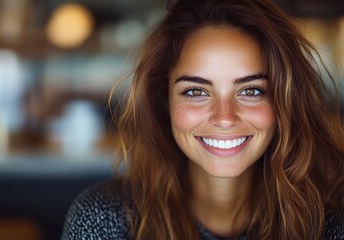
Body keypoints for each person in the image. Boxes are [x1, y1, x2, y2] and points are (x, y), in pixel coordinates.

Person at [61, 0, 344, 239]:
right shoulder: (103, 220)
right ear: (164, 102)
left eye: (251, 90)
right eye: (196, 91)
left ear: (286, 100)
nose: (224, 118)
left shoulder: (332, 220)